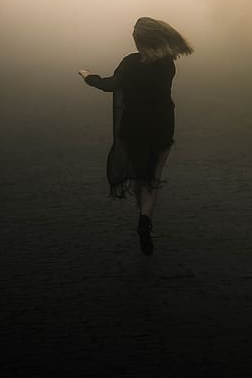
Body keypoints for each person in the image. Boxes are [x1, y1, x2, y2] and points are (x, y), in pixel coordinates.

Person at [79, 17, 193, 256]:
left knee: (140, 175)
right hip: (162, 125)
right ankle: (145, 220)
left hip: (133, 126)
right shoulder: (167, 64)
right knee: (154, 176)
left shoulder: (130, 63)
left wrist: (88, 76)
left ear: (138, 41)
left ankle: (142, 218)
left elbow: (110, 85)